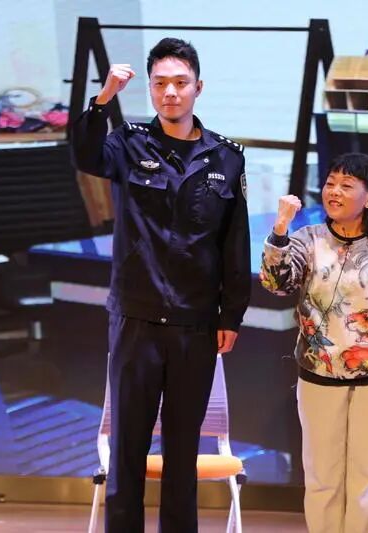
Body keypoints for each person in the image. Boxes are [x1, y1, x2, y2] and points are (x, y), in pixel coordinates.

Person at [71, 38, 251, 532]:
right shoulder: (127, 142)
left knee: (182, 451)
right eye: (160, 84)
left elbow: (234, 243)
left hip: (196, 323)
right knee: (127, 449)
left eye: (180, 83)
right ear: (150, 89)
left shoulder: (227, 157)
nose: (170, 92)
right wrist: (104, 97)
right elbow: (84, 154)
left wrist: (231, 314)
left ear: (198, 88)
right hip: (136, 317)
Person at [260, 152, 368, 533]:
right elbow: (277, 284)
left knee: (367, 481)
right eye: (330, 183)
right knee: (322, 479)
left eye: (346, 185)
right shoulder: (307, 240)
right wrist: (280, 228)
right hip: (318, 377)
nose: (334, 192)